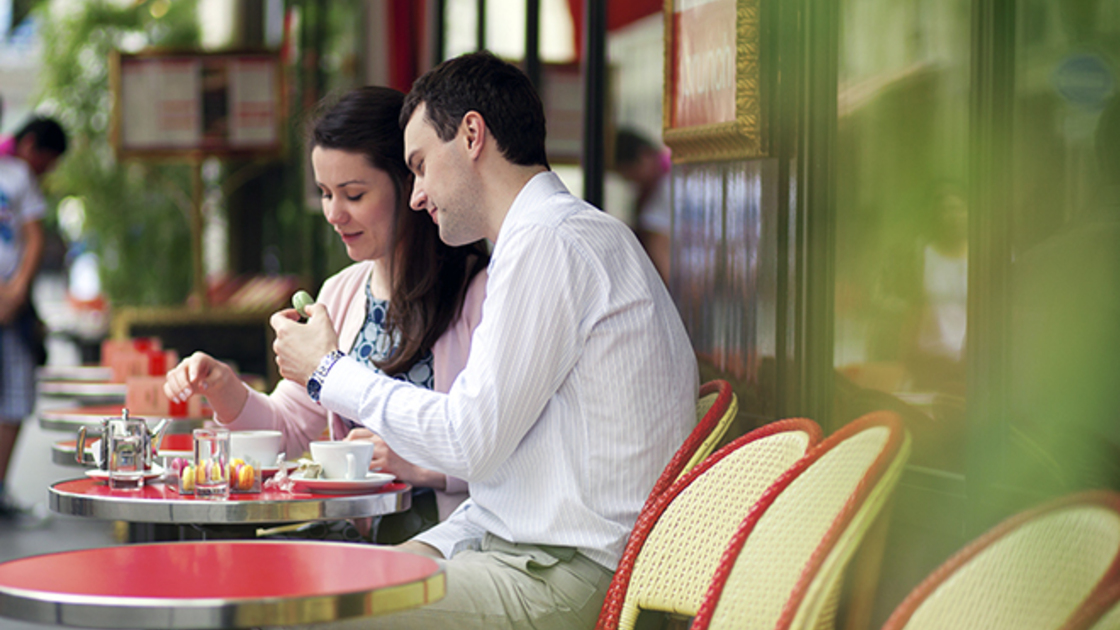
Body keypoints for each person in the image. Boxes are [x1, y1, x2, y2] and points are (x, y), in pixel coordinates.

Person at [270, 51, 698, 628]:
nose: (417, 195)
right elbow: (502, 486)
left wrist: (329, 369)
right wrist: (426, 549)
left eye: (420, 165)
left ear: (472, 135)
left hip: (561, 578)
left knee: (304, 607)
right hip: (525, 557)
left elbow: (468, 443)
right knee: (314, 582)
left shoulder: (551, 243)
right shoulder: (549, 239)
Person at [163, 86, 489, 541]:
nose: (334, 214)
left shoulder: (480, 292)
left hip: (452, 541)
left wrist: (420, 465)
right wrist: (225, 389)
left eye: (353, 194)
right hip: (357, 536)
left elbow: (504, 444)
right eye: (324, 192)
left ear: (410, 183)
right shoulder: (342, 292)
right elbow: (291, 430)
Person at [0, 116, 67, 519]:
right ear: (29, 144)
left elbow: (34, 236)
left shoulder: (18, 176)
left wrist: (16, 291)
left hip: (10, 307)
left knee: (15, 395)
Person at [614, 127, 672, 284]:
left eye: (631, 174)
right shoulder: (663, 182)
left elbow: (660, 250)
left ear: (644, 155)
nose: (633, 183)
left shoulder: (665, 188)